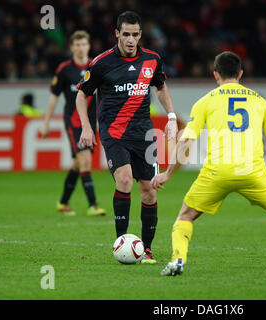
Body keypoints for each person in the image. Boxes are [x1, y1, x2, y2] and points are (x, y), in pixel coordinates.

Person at [152, 51, 266, 277]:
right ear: (241, 74)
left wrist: (167, 173)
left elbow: (186, 140)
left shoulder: (205, 102)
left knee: (185, 216)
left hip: (216, 173)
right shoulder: (259, 101)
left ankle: (178, 260)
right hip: (253, 172)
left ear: (215, 74)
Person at [76, 11, 178, 264]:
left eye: (135, 35)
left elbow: (161, 86)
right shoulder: (102, 63)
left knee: (149, 192)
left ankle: (148, 249)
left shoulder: (152, 59)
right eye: (126, 34)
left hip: (143, 133)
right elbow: (82, 94)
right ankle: (122, 243)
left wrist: (172, 117)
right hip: (114, 132)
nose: (131, 39)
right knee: (124, 180)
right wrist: (87, 127)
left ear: (140, 35)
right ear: (117, 34)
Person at [40, 30, 106, 217]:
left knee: (77, 164)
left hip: (92, 123)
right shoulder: (64, 69)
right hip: (73, 122)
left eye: (83, 44)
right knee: (85, 160)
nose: (80, 47)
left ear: (88, 46)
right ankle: (93, 205)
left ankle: (63, 202)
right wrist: (45, 124)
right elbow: (53, 98)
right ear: (71, 47)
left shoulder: (96, 66)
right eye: (77, 44)